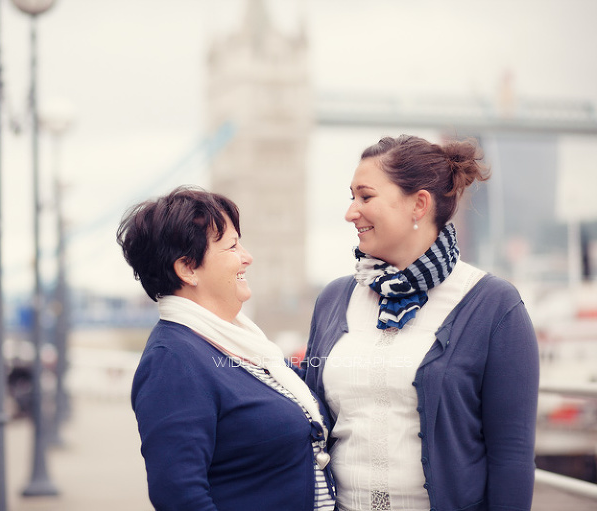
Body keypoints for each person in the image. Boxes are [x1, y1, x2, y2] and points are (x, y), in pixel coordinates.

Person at [303, 135, 539, 511]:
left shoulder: (494, 305)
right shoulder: (334, 299)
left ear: (419, 204)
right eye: (351, 197)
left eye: (365, 197)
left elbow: (511, 454)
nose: (351, 212)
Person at [117, 185, 335, 511]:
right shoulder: (174, 360)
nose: (247, 257)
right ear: (188, 268)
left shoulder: (243, 345)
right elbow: (179, 495)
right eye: (233, 246)